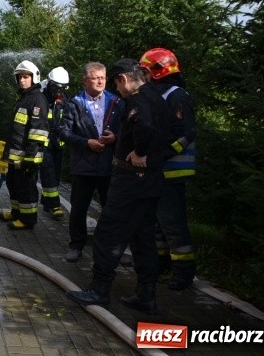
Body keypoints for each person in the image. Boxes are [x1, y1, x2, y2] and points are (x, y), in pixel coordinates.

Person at [66, 58, 170, 315]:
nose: (116, 89)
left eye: (115, 82)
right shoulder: (158, 97)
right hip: (152, 181)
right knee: (143, 239)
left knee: (107, 235)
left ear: (123, 80)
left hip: (130, 181)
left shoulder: (138, 99)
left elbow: (143, 125)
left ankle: (99, 291)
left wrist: (140, 151)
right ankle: (146, 295)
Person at [140, 48, 197, 291]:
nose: (143, 76)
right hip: (157, 172)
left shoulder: (177, 96)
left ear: (157, 71)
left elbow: (185, 133)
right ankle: (162, 266)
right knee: (157, 225)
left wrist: (161, 154)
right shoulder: (159, 94)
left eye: (146, 71)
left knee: (173, 226)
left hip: (171, 172)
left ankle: (183, 273)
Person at [59, 62, 124, 262]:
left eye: (103, 77)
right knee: (79, 209)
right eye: (96, 78)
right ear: (85, 80)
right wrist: (87, 142)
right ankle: (76, 246)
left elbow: (128, 130)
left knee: (112, 209)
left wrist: (116, 138)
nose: (101, 81)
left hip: (109, 165)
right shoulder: (74, 103)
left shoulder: (116, 102)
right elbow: (63, 132)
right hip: (83, 166)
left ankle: (115, 249)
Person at [0, 61, 49, 230]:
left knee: (26, 187)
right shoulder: (24, 98)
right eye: (20, 77)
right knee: (13, 184)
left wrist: (30, 156)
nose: (22, 81)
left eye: (26, 77)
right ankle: (16, 212)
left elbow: (38, 130)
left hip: (27, 156)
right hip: (16, 155)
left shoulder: (37, 99)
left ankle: (28, 219)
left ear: (34, 78)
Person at [39, 66, 70, 219]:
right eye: (56, 87)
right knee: (48, 173)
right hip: (44, 144)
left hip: (58, 144)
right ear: (50, 83)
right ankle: (54, 205)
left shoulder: (64, 101)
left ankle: (46, 202)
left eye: (62, 88)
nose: (59, 91)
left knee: (55, 175)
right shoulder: (41, 97)